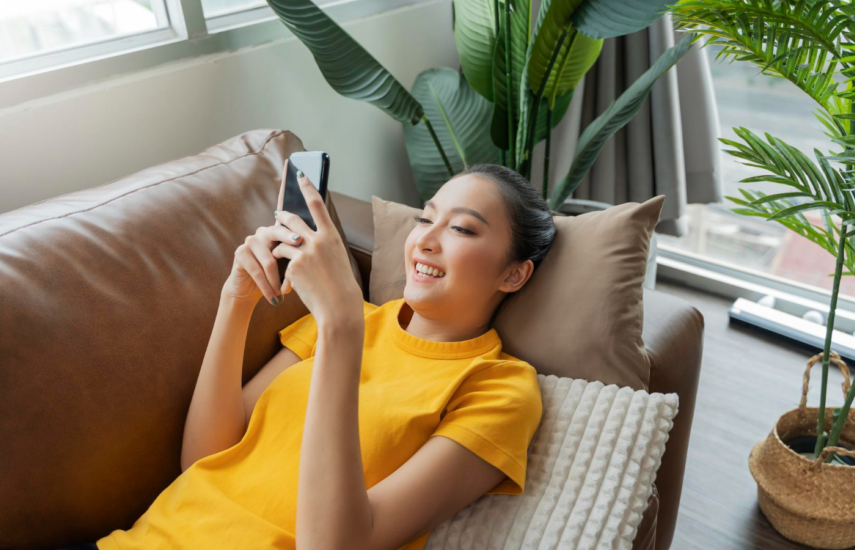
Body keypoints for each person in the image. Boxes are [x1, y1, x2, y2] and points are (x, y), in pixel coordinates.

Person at [67, 162, 556, 550]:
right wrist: (235, 303)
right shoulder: (348, 319)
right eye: (425, 218)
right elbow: (203, 461)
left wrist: (340, 328)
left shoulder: (499, 388)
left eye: (463, 230)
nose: (425, 239)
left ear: (513, 275)